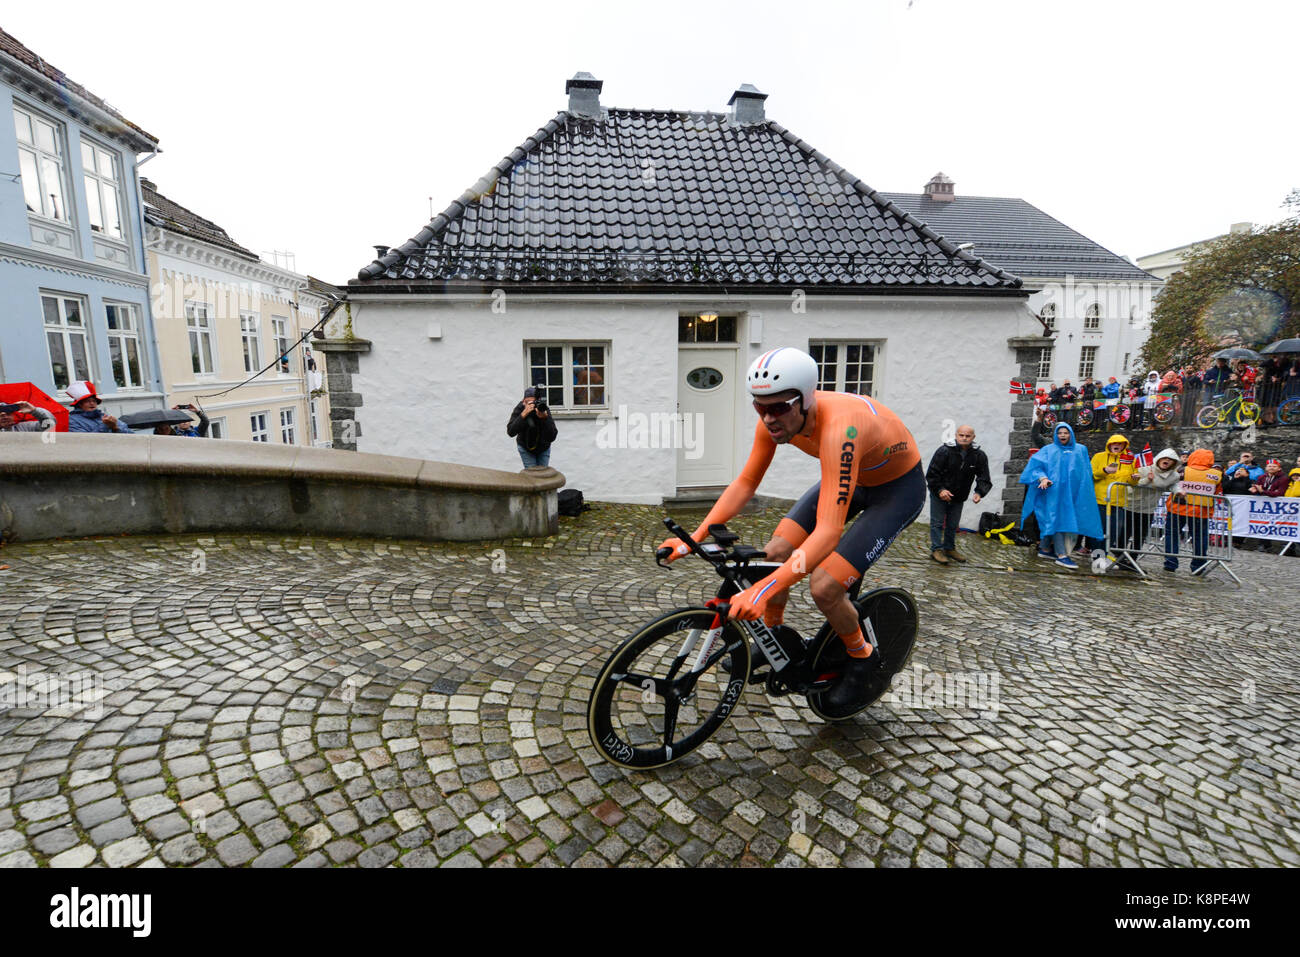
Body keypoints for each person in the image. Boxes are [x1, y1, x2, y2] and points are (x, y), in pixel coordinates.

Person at [657, 347, 923, 716]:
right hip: (853, 477)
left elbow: (828, 533)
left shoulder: (839, 429)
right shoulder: (773, 418)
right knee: (774, 554)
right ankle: (778, 636)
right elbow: (746, 482)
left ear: (806, 400)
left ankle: (863, 660)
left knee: (826, 586)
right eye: (759, 407)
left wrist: (764, 591)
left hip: (896, 491)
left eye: (779, 407)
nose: (768, 417)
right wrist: (695, 538)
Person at [1018, 423, 1104, 569]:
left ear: (1071, 433)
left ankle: (1045, 549)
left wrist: (1083, 493)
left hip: (1072, 494)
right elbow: (1036, 466)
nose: (1063, 435)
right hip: (1053, 493)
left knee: (1058, 520)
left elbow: (1085, 473)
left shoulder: (1080, 450)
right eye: (1060, 433)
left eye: (1065, 432)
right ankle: (1062, 555)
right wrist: (1043, 478)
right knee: (1057, 520)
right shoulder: (1048, 450)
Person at [925, 424, 992, 564]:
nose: (964, 438)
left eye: (968, 436)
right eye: (961, 435)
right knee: (937, 523)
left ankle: (949, 548)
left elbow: (984, 476)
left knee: (952, 524)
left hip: (959, 495)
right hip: (939, 494)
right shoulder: (944, 451)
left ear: (973, 437)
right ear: (956, 435)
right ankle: (936, 549)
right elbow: (932, 474)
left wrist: (979, 492)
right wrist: (940, 490)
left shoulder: (978, 455)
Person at [1164, 449, 1222, 574]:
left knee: (1172, 535)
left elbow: (1170, 485)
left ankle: (1170, 563)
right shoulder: (1216, 474)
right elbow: (1217, 492)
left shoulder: (1181, 470)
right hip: (1201, 511)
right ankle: (1198, 566)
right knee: (1200, 538)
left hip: (1177, 508)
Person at [1090, 434, 1137, 560]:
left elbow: (1131, 481)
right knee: (1099, 531)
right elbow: (1091, 474)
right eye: (1114, 443)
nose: (1117, 445)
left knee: (1114, 532)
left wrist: (1134, 479)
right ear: (1109, 445)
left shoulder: (1129, 460)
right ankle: (1097, 557)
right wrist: (1104, 471)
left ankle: (1104, 555)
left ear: (1124, 445)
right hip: (1100, 500)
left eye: (1120, 443)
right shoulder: (1099, 457)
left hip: (1118, 502)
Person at [1129, 448, 1181, 557]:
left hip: (1148, 508)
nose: (1167, 460)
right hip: (1130, 504)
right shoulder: (1145, 468)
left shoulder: (1174, 475)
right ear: (1159, 458)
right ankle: (1120, 556)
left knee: (1140, 536)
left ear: (1174, 463)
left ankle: (1131, 560)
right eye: (1165, 458)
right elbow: (1134, 484)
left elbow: (1173, 484)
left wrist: (1179, 491)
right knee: (1124, 534)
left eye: (1170, 459)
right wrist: (1147, 479)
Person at [506, 387, 557, 467]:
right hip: (525, 447)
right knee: (532, 475)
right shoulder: (520, 408)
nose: (531, 405)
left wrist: (545, 419)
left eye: (533, 402)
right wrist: (523, 414)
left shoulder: (542, 408)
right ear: (523, 402)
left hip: (543, 448)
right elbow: (511, 432)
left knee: (543, 475)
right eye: (527, 402)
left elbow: (552, 436)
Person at [65, 381, 132, 434]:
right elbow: (84, 441)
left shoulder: (105, 416)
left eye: (94, 401)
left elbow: (130, 434)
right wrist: (105, 425)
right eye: (87, 401)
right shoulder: (72, 421)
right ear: (79, 404)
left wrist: (115, 428)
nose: (92, 403)